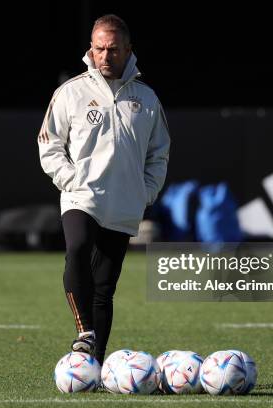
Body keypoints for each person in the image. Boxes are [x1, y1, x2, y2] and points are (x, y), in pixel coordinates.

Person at [38, 14, 170, 365]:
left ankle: (94, 364)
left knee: (104, 288)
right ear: (90, 50)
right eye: (99, 49)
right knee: (77, 248)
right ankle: (84, 334)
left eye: (113, 49)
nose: (105, 56)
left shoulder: (147, 99)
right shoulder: (71, 92)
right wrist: (70, 179)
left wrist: (145, 193)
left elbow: (160, 154)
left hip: (125, 205)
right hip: (82, 197)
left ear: (128, 50)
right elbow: (49, 144)